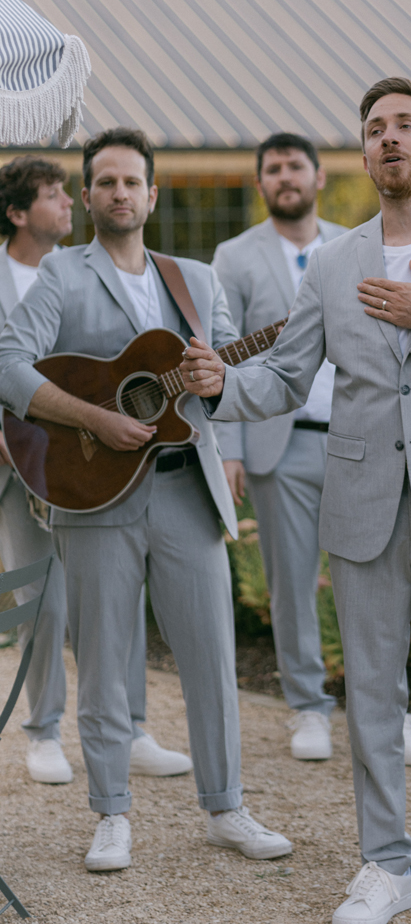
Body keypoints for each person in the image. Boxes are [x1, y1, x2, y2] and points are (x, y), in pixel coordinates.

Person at [181, 78, 411, 924]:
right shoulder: (334, 262)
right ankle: (386, 867)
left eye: (405, 125)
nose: (388, 137)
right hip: (361, 503)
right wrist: (220, 387)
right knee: (373, 697)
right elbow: (285, 377)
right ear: (362, 155)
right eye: (375, 128)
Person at [0, 129, 291, 873]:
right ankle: (111, 815)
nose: (120, 193)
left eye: (132, 181)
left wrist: (217, 381)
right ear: (88, 195)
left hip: (186, 488)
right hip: (94, 492)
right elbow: (6, 361)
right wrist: (93, 418)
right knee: (103, 663)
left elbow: (238, 383)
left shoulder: (196, 279)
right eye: (106, 182)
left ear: (152, 195)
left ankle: (226, 809)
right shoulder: (61, 273)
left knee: (211, 658)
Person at [212, 132, 411, 767]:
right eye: (273, 168)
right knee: (291, 584)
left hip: (360, 441)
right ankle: (308, 707)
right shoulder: (233, 257)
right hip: (277, 447)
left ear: (319, 178)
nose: (285, 176)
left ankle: (392, 711)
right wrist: (228, 445)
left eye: (296, 166)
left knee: (378, 581)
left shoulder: (359, 246)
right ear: (261, 183)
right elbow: (225, 351)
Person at [0, 155, 191, 786]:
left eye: (66, 192)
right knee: (42, 602)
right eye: (52, 194)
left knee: (118, 596)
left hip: (94, 460)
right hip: (16, 462)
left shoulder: (89, 272)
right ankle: (43, 730)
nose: (67, 202)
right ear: (17, 213)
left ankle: (130, 728)